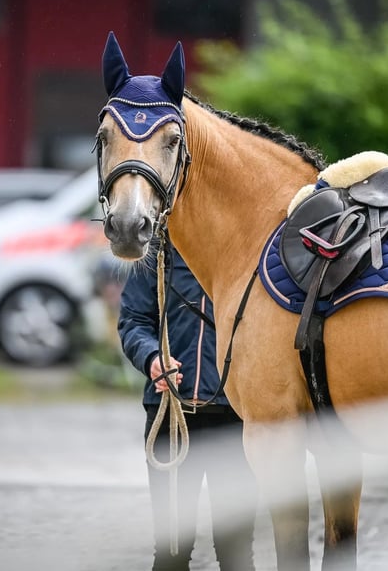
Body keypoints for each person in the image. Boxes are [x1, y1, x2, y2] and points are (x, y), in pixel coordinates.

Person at [118, 243, 257, 571]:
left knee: (235, 551)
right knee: (171, 551)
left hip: (234, 419)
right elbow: (133, 320)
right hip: (170, 415)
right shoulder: (157, 253)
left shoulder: (248, 248)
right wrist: (153, 357)